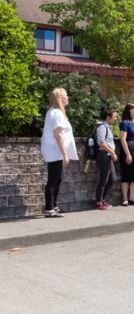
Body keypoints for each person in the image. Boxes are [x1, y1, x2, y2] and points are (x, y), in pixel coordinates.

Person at [40, 88, 78, 218]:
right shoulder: (56, 113)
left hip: (55, 150)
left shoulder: (54, 112)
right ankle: (49, 208)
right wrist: (65, 154)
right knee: (53, 179)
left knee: (58, 179)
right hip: (54, 151)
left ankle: (54, 205)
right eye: (66, 96)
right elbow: (58, 135)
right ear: (59, 98)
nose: (68, 98)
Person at [95, 108, 118, 210]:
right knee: (103, 180)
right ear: (108, 117)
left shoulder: (108, 127)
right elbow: (101, 142)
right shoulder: (102, 127)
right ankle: (99, 202)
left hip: (107, 156)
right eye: (114, 117)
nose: (115, 118)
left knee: (112, 179)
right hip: (104, 155)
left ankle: (102, 199)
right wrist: (112, 152)